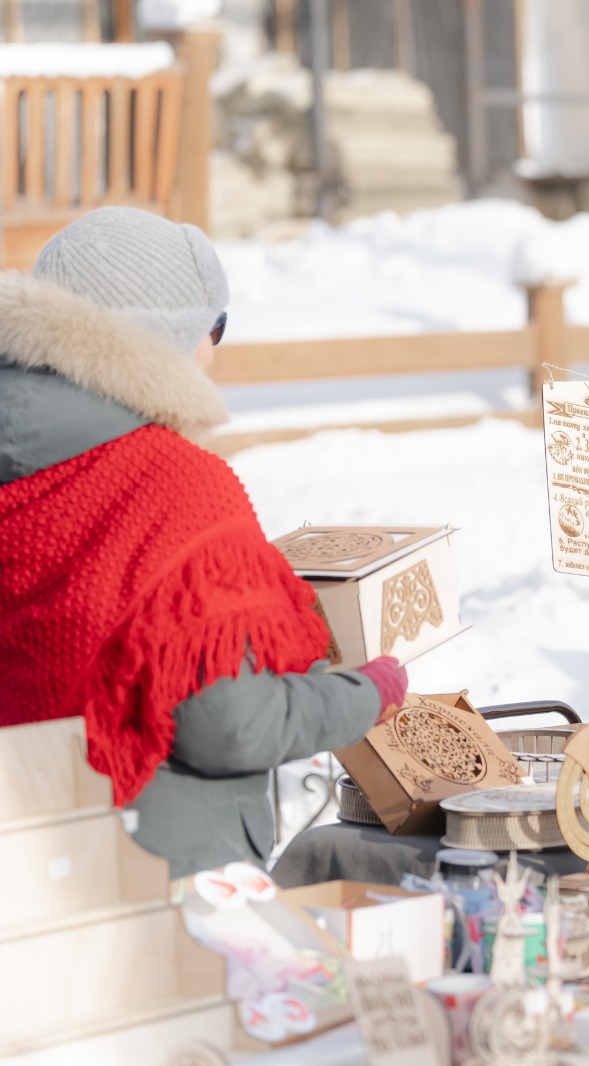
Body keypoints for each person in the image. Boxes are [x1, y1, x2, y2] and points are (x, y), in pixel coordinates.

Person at [0, 206, 407, 877]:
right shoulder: (178, 488)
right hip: (160, 882)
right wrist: (368, 693)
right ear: (168, 340)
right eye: (214, 325)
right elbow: (229, 725)